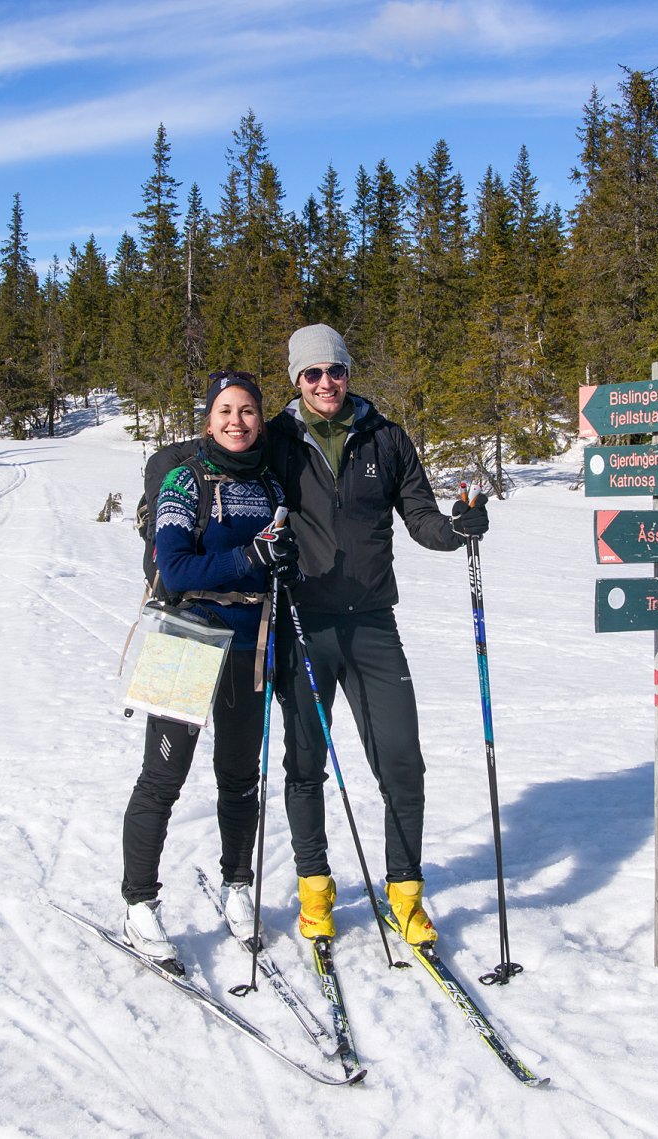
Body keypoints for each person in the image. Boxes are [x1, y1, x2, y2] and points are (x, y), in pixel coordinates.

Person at [266, 324, 489, 947]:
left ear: (348, 372)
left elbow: (420, 518)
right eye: (313, 373)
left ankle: (405, 895)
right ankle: (315, 891)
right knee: (305, 764)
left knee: (402, 762)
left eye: (335, 370)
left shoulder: (386, 437)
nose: (326, 383)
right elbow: (215, 457)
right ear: (297, 379)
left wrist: (458, 529)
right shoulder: (276, 440)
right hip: (303, 625)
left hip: (371, 625)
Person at [120, 371, 300, 964]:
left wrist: (285, 562)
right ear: (208, 419)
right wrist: (249, 555)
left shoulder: (270, 484)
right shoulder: (184, 480)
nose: (237, 422)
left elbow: (275, 563)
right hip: (187, 637)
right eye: (226, 410)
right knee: (162, 778)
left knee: (240, 777)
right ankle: (139, 903)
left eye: (247, 411)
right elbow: (175, 570)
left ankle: (237, 885)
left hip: (252, 642)